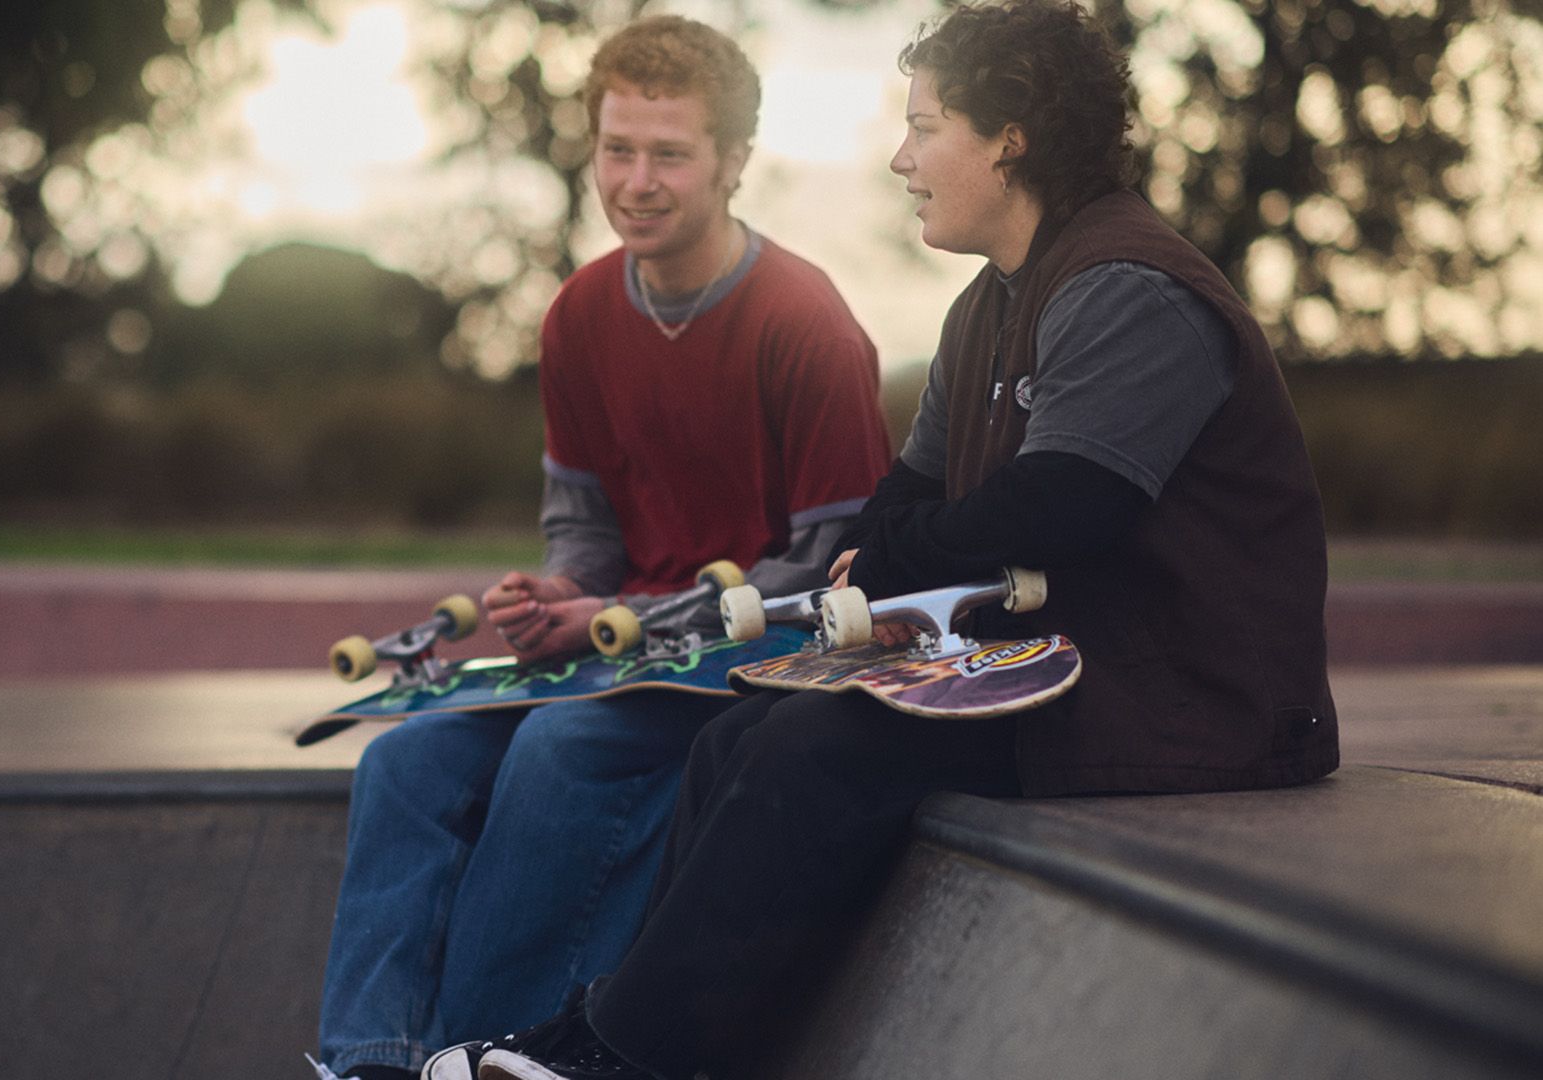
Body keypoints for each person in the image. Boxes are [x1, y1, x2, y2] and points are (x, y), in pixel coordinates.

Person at [427, 1, 1340, 1077]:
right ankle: (609, 1027)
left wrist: (903, 551)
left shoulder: (1127, 286)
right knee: (744, 731)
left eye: (925, 126)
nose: (900, 159)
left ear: (1008, 137)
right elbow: (896, 497)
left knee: (824, 753)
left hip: (1187, 699)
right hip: (1056, 669)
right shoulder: (984, 307)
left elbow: (1064, 505)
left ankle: (623, 1057)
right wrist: (896, 544)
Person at [311, 16, 893, 1080]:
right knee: (405, 760)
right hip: (615, 649)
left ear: (731, 165)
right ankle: (371, 1062)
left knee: (559, 753)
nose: (636, 180)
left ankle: (485, 1056)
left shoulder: (804, 321)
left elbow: (828, 570)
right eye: (616, 149)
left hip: (752, 663)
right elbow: (583, 527)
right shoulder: (578, 315)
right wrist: (558, 593)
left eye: (668, 153)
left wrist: (625, 618)